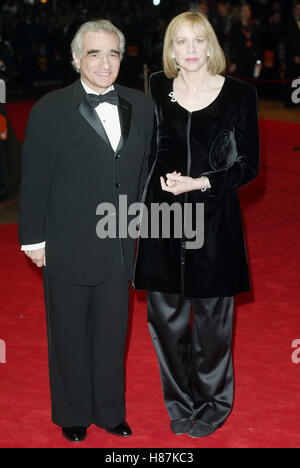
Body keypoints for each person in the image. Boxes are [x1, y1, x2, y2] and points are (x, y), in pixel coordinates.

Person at [18, 19, 154, 443]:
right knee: (69, 332)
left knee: (114, 333)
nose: (104, 62)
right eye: (93, 53)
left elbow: (147, 172)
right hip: (66, 242)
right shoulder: (50, 108)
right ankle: (73, 413)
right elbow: (35, 178)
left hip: (119, 243)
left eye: (113, 53)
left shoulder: (142, 105)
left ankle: (111, 412)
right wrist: (33, 239)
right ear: (76, 58)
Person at [133, 11, 260, 438]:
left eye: (197, 41)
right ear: (171, 49)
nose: (189, 50)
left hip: (213, 218)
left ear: (211, 45)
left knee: (212, 322)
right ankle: (180, 401)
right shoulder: (156, 86)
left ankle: (214, 402)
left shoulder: (240, 94)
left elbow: (249, 165)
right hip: (163, 219)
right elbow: (149, 150)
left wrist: (202, 182)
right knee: (165, 320)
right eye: (180, 42)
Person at [228, 3, 263, 78]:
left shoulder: (254, 27)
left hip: (252, 61)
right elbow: (232, 46)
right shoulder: (235, 27)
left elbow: (258, 45)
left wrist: (259, 61)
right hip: (239, 62)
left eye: (248, 10)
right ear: (240, 13)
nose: (246, 13)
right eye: (244, 10)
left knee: (253, 84)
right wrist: (233, 62)